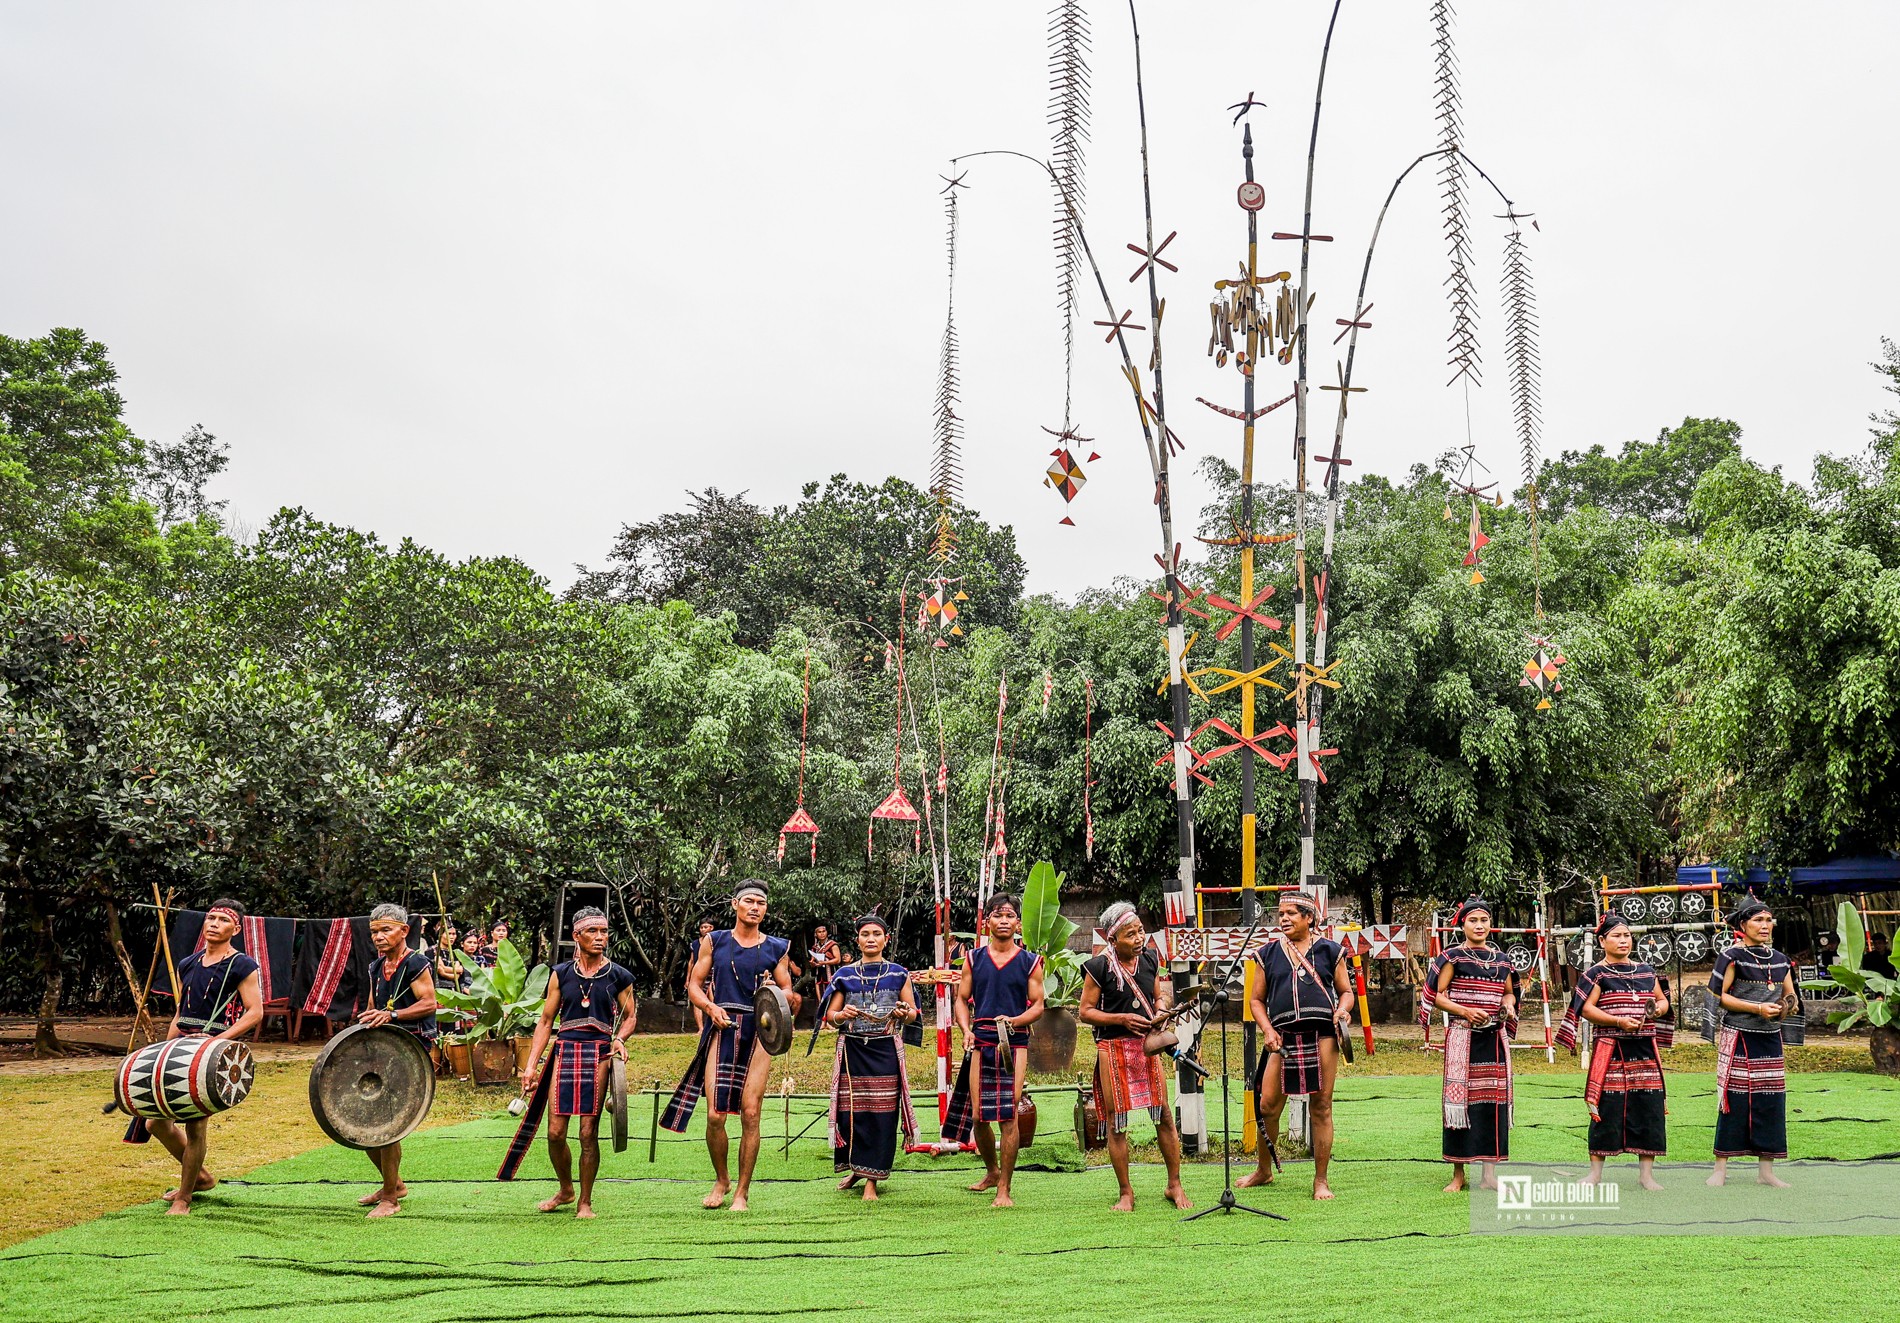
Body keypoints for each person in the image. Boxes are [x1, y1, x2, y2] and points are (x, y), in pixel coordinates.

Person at [662, 879, 793, 1211]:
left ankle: (742, 1193)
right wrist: (710, 1008)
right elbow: (694, 984)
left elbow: (788, 993)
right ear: (735, 904)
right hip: (721, 1026)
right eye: (748, 901)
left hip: (760, 1033)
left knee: (750, 1113)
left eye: (760, 903)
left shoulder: (776, 947)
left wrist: (773, 996)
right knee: (716, 1115)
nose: (754, 907)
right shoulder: (714, 941)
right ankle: (722, 1179)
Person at [507, 908, 637, 1217]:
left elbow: (630, 1016)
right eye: (593, 932)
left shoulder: (618, 975)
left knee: (587, 1133)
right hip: (565, 1050)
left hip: (599, 1054)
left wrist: (619, 1039)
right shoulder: (561, 973)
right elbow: (546, 1021)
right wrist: (531, 1066)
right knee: (555, 1133)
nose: (600, 938)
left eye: (604, 932)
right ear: (576, 936)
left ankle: (585, 1201)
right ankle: (566, 1189)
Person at [147, 898, 264, 1215]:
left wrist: (214, 1042)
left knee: (195, 1126)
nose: (214, 923)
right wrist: (164, 1050)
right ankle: (200, 1177)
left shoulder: (242, 965)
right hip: (180, 1047)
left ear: (235, 929)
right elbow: (180, 1013)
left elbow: (255, 1013)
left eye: (222, 920)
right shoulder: (189, 964)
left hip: (211, 1051)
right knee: (155, 1124)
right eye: (210, 918)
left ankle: (185, 1197)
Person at [1239, 891, 1354, 1200]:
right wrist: (1267, 1030)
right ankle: (1263, 1170)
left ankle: (1320, 1180)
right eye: (1281, 914)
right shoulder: (1268, 953)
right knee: (1267, 1105)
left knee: (1321, 1106)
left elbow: (1346, 992)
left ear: (1309, 918)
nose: (1284, 919)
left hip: (1323, 1036)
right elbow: (1256, 1000)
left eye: (1291, 913)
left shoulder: (1331, 951)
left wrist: (1343, 1010)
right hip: (1282, 1036)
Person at [1077, 901, 1191, 1211]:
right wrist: (1121, 1020)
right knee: (1117, 1123)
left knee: (1164, 1115)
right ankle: (1126, 1192)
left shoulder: (1151, 959)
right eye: (1131, 934)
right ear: (1113, 939)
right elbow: (1085, 1012)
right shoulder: (1098, 967)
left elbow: (1158, 996)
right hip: (1112, 1049)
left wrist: (1163, 1010)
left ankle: (1174, 1184)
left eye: (1140, 931)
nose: (1139, 939)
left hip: (1147, 1046)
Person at [945, 893, 1045, 1207]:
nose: (1004, 921)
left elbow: (1039, 1005)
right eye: (997, 916)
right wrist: (965, 1030)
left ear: (1018, 923)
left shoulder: (1031, 961)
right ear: (987, 921)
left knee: (1008, 1114)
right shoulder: (974, 959)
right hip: (981, 1038)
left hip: (1014, 1042)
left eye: (1009, 916)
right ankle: (991, 1171)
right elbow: (962, 999)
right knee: (978, 1115)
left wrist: (1015, 1020)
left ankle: (1005, 1188)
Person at [1558, 915, 1671, 1189]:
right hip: (1611, 1050)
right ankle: (1595, 1174)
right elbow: (1586, 1009)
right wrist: (1618, 1021)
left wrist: (1657, 1010)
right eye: (1617, 936)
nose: (1623, 941)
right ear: (1602, 941)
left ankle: (1646, 1175)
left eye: (1627, 936)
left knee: (1649, 1108)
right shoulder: (1596, 973)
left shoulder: (1645, 971)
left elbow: (1662, 1001)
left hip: (1644, 1049)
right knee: (1606, 1109)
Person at [823, 915, 921, 1200]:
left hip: (885, 1049)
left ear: (885, 939)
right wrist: (841, 1015)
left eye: (877, 934)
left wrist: (905, 1012)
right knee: (852, 1113)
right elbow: (831, 1016)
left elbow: (914, 1013)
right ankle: (856, 1168)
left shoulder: (899, 973)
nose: (871, 938)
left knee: (882, 1115)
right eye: (865, 934)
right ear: (857, 939)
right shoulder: (843, 975)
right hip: (853, 1051)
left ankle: (872, 1181)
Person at [1428, 896, 1519, 1193]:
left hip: (1493, 1039)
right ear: (1462, 924)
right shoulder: (1452, 957)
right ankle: (1458, 1174)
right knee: (1460, 1104)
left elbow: (1509, 993)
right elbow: (1438, 996)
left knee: (1491, 1104)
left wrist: (1508, 1006)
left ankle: (1488, 1174)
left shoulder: (1503, 961)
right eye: (1473, 920)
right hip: (1463, 1038)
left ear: (1491, 924)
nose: (1479, 925)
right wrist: (1465, 1011)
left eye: (1484, 920)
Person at [1708, 895, 1799, 1187]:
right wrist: (1757, 1008)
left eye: (1768, 920)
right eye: (1758, 920)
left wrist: (1786, 1006)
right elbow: (1720, 996)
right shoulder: (1732, 956)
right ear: (1743, 924)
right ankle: (1720, 1169)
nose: (1765, 925)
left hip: (1770, 1038)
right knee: (1733, 1099)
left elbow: (1791, 994)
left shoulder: (1781, 960)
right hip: (1739, 1036)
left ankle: (1766, 1171)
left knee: (1770, 1100)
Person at [355, 904, 438, 1218]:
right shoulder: (376, 966)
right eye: (374, 931)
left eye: (385, 930)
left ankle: (391, 1197)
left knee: (387, 1123)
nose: (378, 936)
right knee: (364, 1124)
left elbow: (430, 1003)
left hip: (409, 1048)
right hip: (382, 1049)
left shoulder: (416, 962)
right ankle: (394, 1184)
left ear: (404, 931)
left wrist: (393, 1014)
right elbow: (373, 1007)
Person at [691, 919, 716, 1033]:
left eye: (706, 927)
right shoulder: (695, 944)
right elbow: (691, 961)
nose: (703, 929)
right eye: (701, 927)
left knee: (713, 998)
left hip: (714, 973)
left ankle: (714, 1024)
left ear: (712, 928)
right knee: (697, 999)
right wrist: (688, 979)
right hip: (698, 973)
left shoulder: (717, 941)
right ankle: (700, 1028)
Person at [808, 924, 842, 1005]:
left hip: (831, 974)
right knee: (821, 998)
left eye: (823, 931)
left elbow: (838, 959)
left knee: (832, 998)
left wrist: (824, 962)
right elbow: (812, 962)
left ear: (827, 932)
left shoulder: (832, 944)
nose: (822, 934)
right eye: (819, 932)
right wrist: (813, 963)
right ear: (816, 934)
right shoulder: (815, 947)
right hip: (819, 976)